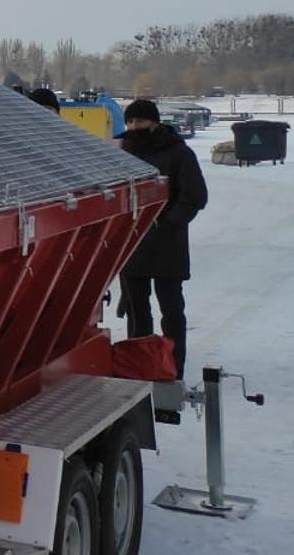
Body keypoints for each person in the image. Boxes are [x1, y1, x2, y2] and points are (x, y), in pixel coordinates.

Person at [118, 99, 208, 379]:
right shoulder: (120, 151)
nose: (134, 127)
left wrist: (169, 223)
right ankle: (139, 364)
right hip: (132, 243)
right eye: (130, 122)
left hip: (168, 244)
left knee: (171, 309)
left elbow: (195, 196)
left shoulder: (179, 153)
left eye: (140, 121)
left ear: (154, 122)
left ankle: (174, 366)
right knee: (137, 310)